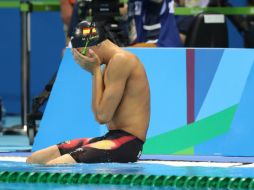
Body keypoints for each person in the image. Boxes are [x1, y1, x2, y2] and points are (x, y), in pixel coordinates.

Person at [26, 20, 150, 165]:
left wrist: (95, 71)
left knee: (55, 165)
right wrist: (96, 72)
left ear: (98, 44)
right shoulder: (110, 64)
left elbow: (102, 116)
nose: (82, 57)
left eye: (83, 51)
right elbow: (100, 113)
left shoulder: (121, 60)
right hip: (110, 138)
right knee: (34, 160)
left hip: (127, 144)